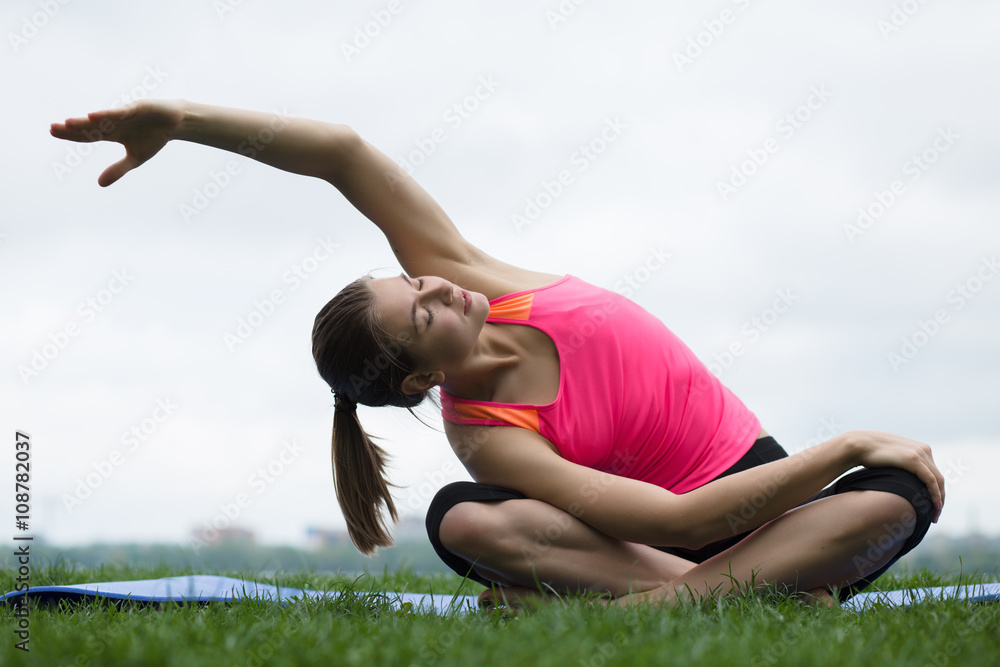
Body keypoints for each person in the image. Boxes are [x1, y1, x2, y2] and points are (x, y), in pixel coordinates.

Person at [51, 99, 944, 608]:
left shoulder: (468, 273)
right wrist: (850, 443)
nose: (438, 287)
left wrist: (180, 120)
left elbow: (341, 153)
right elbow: (668, 523)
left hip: (758, 499)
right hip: (657, 539)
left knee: (902, 498)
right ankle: (737, 604)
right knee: (465, 520)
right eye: (422, 312)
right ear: (420, 377)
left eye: (415, 282)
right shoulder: (489, 436)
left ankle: (673, 610)